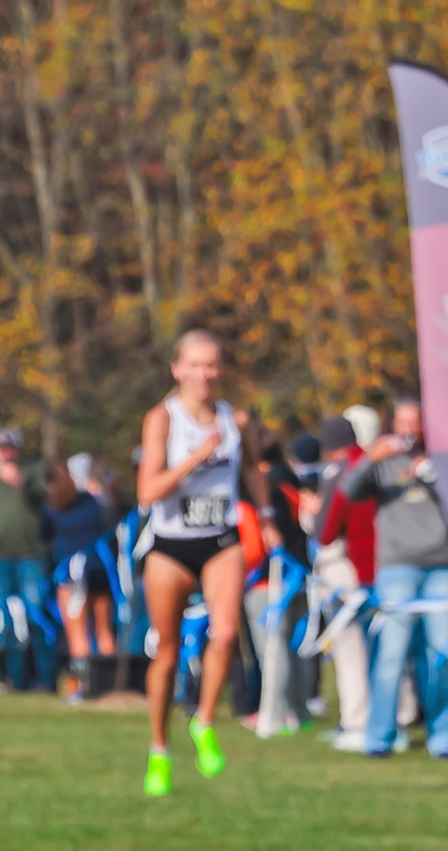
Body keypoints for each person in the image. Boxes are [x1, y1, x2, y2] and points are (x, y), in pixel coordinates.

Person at [135, 329, 277, 796]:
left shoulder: (233, 419)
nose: (204, 374)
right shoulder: (163, 419)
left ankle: (205, 721)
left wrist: (268, 515)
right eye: (194, 365)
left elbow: (254, 468)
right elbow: (147, 492)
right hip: (171, 545)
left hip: (221, 539)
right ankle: (159, 749)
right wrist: (196, 457)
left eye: (211, 365)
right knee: (168, 652)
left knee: (227, 634)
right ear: (177, 370)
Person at [344, 396, 448, 759]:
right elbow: (348, 493)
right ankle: (379, 736)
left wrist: (434, 473)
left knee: (444, 654)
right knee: (390, 654)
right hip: (397, 567)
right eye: (403, 423)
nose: (410, 430)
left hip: (444, 566)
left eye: (416, 422)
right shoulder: (382, 463)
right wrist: (371, 458)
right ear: (392, 426)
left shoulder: (445, 459)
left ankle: (445, 737)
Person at [239, 428, 315, 736]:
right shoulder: (290, 480)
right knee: (293, 648)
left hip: (268, 580)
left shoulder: (260, 488)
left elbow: (256, 540)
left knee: (272, 649)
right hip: (299, 573)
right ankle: (298, 709)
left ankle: (275, 713)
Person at [312, 415, 375, 751]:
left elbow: (325, 529)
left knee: (349, 646)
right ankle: (400, 717)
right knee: (382, 644)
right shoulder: (372, 463)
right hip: (377, 565)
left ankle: (357, 720)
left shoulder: (338, 472)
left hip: (345, 565)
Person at [42, 454, 116, 703]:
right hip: (99, 571)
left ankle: (80, 688)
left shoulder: (52, 507)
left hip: (72, 575)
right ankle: (110, 686)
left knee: (77, 635)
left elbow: (45, 536)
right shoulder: (93, 503)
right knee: (105, 631)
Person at [0, 427, 56, 695]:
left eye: (9, 447)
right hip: (2, 559)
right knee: (7, 623)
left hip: (31, 556)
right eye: (1, 447)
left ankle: (46, 679)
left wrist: (18, 482)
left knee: (36, 617)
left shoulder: (33, 472)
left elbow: (43, 500)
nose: (5, 453)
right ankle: (13, 679)